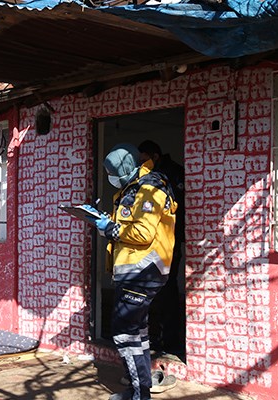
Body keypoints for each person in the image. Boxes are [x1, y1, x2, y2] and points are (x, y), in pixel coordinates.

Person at [83, 143, 178, 400]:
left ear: (126, 168)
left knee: (124, 332)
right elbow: (128, 227)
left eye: (113, 172)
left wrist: (111, 228)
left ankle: (139, 394)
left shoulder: (149, 188)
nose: (110, 177)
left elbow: (143, 233)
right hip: (136, 271)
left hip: (143, 271)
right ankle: (139, 390)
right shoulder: (133, 188)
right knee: (137, 332)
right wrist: (104, 224)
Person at [138, 140, 185, 358]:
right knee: (151, 292)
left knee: (166, 292)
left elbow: (177, 210)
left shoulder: (172, 175)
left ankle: (171, 342)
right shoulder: (147, 177)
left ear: (154, 156)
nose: (142, 164)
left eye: (144, 159)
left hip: (167, 244)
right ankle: (155, 338)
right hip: (149, 244)